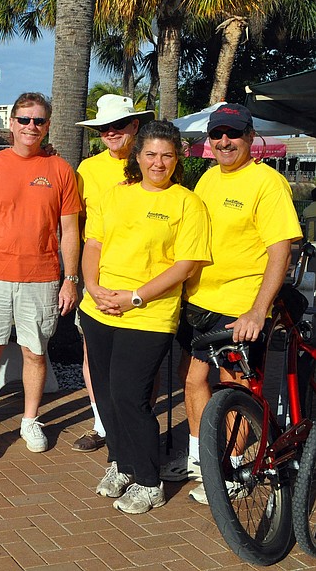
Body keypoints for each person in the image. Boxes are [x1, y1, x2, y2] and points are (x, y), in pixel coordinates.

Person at [170, 103, 302, 503]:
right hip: (200, 300)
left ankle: (229, 469)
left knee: (234, 385)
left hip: (241, 303)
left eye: (234, 133)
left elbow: (281, 250)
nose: (224, 141)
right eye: (218, 134)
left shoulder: (267, 182)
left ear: (250, 138)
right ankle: (200, 459)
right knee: (192, 379)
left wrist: (259, 309)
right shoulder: (208, 179)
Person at [78, 120, 211, 514]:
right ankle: (122, 462)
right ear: (137, 157)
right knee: (104, 393)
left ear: (177, 159)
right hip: (99, 307)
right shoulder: (117, 194)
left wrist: (135, 296)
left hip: (148, 313)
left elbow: (185, 264)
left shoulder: (187, 203)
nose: (158, 162)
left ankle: (149, 481)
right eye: (150, 154)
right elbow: (94, 243)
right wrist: (93, 287)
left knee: (129, 395)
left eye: (166, 155)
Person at [0, 92, 80, 461]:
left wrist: (71, 278)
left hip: (41, 277)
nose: (31, 127)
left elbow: (71, 231)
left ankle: (30, 419)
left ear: (47, 126)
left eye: (39, 121)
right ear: (12, 123)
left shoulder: (60, 170)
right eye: (25, 120)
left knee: (35, 352)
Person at [73, 95, 155, 453]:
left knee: (140, 359)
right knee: (94, 353)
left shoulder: (152, 164)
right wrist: (79, 278)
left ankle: (137, 420)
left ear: (135, 125)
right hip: (98, 277)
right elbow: (75, 223)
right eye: (103, 128)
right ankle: (102, 422)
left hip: (143, 277)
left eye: (118, 126)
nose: (110, 133)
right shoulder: (87, 170)